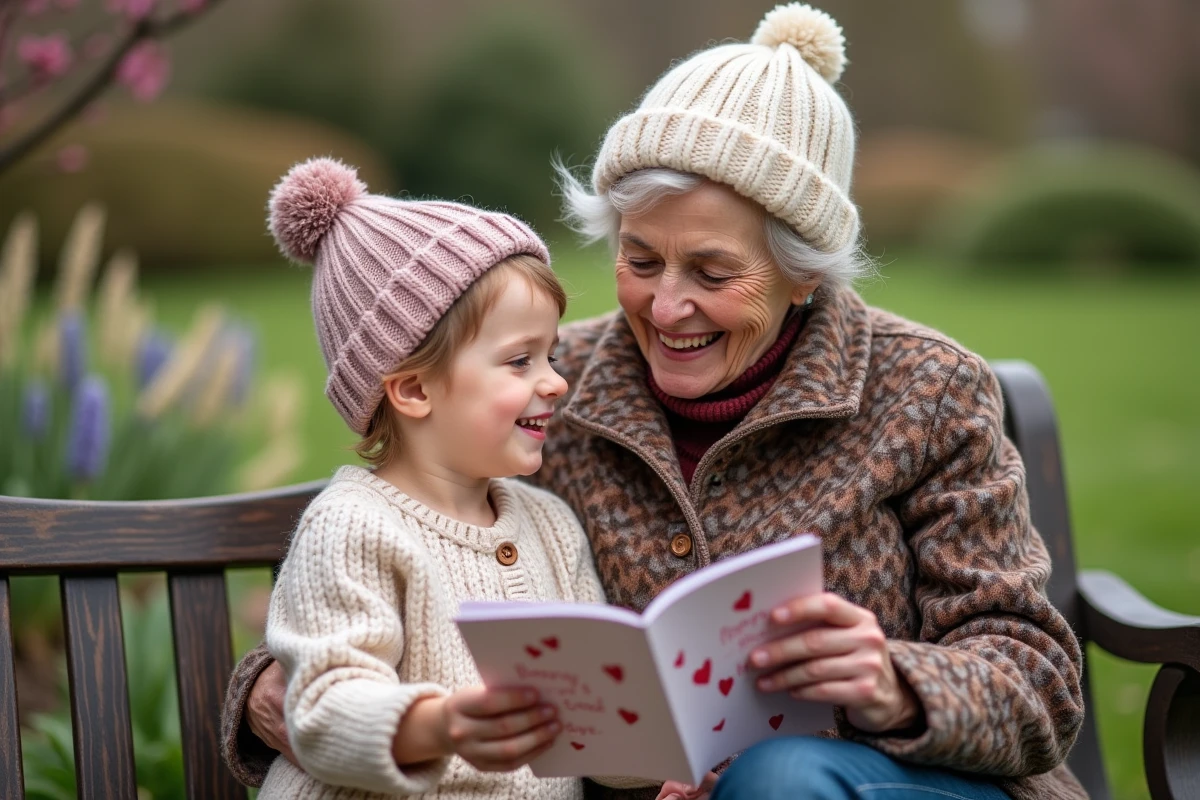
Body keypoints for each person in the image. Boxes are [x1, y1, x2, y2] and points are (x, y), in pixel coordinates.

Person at [224, 4, 1087, 799]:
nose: (665, 308)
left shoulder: (925, 389)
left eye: (712, 273)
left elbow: (1039, 681)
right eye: (639, 261)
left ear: (803, 275)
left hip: (896, 783)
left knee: (780, 778)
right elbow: (387, 546)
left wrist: (894, 682)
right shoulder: (546, 383)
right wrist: (275, 692)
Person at [249, 156, 609, 799]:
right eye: (520, 360)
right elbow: (323, 710)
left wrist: (668, 752)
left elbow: (597, 726)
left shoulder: (549, 526)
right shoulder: (353, 525)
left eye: (550, 355)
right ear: (414, 389)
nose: (555, 381)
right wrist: (437, 724)